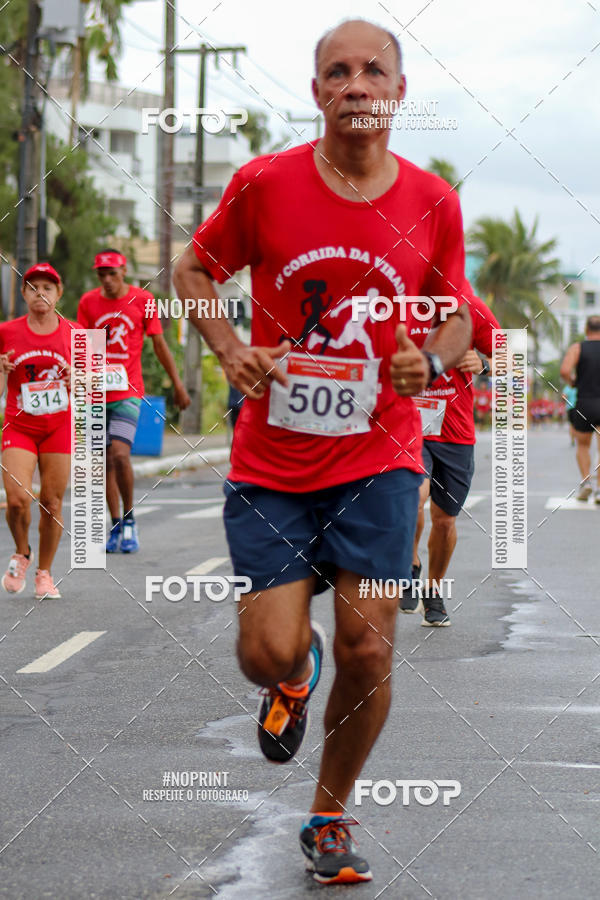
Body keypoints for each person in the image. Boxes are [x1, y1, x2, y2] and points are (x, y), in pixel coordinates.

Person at [174, 18, 472, 885]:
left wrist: (433, 361)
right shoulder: (265, 184)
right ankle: (292, 674)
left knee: (369, 647)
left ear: (399, 91)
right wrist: (230, 348)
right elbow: (192, 270)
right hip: (273, 464)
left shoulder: (433, 201)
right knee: (263, 653)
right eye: (337, 72)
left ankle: (329, 816)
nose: (355, 85)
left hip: (380, 460)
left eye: (372, 71)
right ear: (316, 93)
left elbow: (456, 312)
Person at [77, 250, 190, 552]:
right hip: (96, 394)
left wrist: (177, 384)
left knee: (120, 455)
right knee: (103, 461)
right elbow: (85, 348)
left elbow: (159, 344)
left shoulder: (143, 300)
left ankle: (129, 520)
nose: (107, 279)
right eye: (102, 274)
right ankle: (115, 525)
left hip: (128, 391)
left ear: (124, 271)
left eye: (112, 273)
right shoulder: (88, 302)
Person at [401, 283, 499, 624]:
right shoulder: (399, 300)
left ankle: (433, 589)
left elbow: (511, 357)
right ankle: (409, 563)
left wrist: (484, 363)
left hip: (455, 430)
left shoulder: (470, 306)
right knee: (412, 495)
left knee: (444, 521)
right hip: (407, 423)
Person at [0, 263, 75, 599]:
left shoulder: (77, 334)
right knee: (17, 500)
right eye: (33, 287)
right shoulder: (6, 332)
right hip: (20, 425)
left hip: (58, 426)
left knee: (52, 503)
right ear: (23, 293)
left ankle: (44, 573)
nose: (40, 293)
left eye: (47, 287)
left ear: (59, 294)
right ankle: (22, 552)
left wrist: (78, 379)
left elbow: (95, 388)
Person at [560, 315, 600, 502]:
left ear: (586, 329)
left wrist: (573, 382)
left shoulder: (577, 348)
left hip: (585, 402)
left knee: (583, 445)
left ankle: (586, 483)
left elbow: (565, 370)